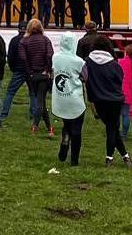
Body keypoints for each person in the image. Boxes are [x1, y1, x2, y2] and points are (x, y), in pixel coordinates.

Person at [83, 39, 132, 167]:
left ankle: (123, 157)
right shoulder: (114, 64)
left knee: (112, 128)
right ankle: (111, 158)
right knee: (113, 128)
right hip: (115, 100)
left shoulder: (87, 62)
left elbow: (85, 79)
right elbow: (119, 79)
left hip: (99, 100)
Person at [52, 32, 87, 166]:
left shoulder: (55, 57)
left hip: (60, 98)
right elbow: (85, 77)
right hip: (75, 99)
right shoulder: (79, 61)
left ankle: (65, 140)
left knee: (66, 123)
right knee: (77, 129)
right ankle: (74, 160)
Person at [19, 19, 55, 136]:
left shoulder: (24, 41)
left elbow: (23, 58)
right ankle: (39, 126)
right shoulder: (45, 40)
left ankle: (45, 126)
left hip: (32, 74)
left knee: (40, 99)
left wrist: (29, 71)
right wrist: (48, 69)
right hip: (43, 74)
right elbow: (49, 54)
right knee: (41, 100)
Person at [0, 25, 36, 124]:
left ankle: (4, 113)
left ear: (18, 29)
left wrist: (13, 68)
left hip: (18, 69)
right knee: (33, 93)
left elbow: (10, 56)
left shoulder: (14, 40)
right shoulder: (31, 40)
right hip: (30, 70)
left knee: (10, 92)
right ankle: (33, 114)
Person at [118, 45, 132, 138]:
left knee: (116, 114)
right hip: (128, 93)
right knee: (126, 114)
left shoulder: (120, 62)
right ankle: (124, 134)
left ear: (126, 53)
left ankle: (114, 132)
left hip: (118, 92)